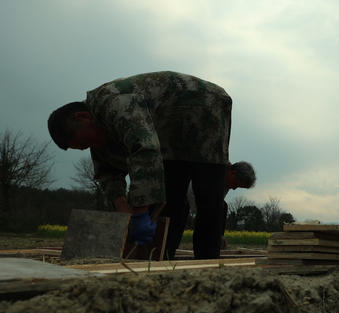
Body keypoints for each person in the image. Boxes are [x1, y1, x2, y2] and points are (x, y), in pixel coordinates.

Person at [47, 71, 249, 259]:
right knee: (170, 195)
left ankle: (208, 263)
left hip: (205, 106)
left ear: (83, 117)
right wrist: (123, 208)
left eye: (84, 142)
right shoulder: (97, 132)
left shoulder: (116, 104)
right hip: (168, 127)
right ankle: (162, 257)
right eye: (82, 148)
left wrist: (139, 211)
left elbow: (144, 149)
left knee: (208, 193)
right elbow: (108, 172)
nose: (87, 147)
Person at [179, 161, 256, 259]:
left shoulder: (226, 184)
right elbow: (205, 211)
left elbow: (220, 208)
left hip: (202, 203)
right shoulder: (214, 176)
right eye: (236, 184)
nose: (234, 188)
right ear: (232, 173)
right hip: (188, 196)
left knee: (222, 207)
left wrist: (220, 234)